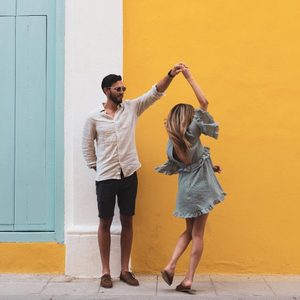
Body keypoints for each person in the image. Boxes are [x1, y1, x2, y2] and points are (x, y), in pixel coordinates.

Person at [82, 63, 185, 289]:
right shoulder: (93, 118)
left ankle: (125, 270)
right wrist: (95, 167)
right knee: (105, 223)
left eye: (123, 89)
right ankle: (105, 272)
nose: (122, 92)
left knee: (128, 220)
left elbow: (154, 93)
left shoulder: (132, 109)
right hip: (106, 177)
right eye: (118, 89)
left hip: (129, 174)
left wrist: (170, 75)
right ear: (106, 91)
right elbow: (87, 146)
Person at [156, 67, 226, 294]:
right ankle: (188, 280)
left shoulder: (172, 144)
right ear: (187, 118)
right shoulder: (193, 131)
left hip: (186, 190)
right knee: (198, 234)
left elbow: (188, 163)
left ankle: (170, 265)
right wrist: (189, 77)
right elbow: (204, 102)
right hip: (201, 189)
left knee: (188, 231)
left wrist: (211, 166)